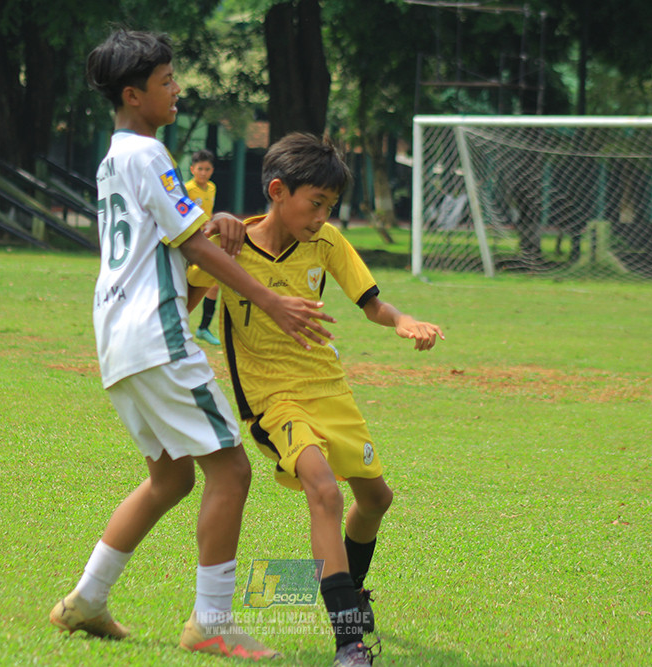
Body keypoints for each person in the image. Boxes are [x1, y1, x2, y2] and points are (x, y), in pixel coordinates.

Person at [49, 30, 336, 661]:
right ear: (134, 94)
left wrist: (216, 222)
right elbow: (194, 245)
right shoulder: (150, 153)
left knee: (171, 477)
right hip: (158, 333)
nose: (176, 89)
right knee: (231, 469)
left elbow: (178, 233)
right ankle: (211, 623)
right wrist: (271, 300)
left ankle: (86, 600)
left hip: (117, 338)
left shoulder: (114, 157)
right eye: (166, 81)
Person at [187, 133, 444, 667]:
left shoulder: (325, 242)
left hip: (328, 388)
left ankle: (352, 592)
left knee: (376, 500)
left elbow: (371, 303)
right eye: (316, 203)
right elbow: (185, 295)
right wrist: (211, 231)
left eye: (331, 205)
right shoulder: (231, 247)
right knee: (324, 491)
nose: (323, 216)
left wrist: (403, 321)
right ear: (278, 191)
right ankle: (350, 642)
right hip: (273, 400)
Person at [185, 149, 222, 345]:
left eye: (207, 169)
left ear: (212, 170)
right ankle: (178, 325)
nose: (203, 173)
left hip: (205, 241)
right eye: (200, 169)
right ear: (192, 169)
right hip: (189, 243)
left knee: (213, 284)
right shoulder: (187, 189)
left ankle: (203, 328)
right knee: (183, 284)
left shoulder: (212, 188)